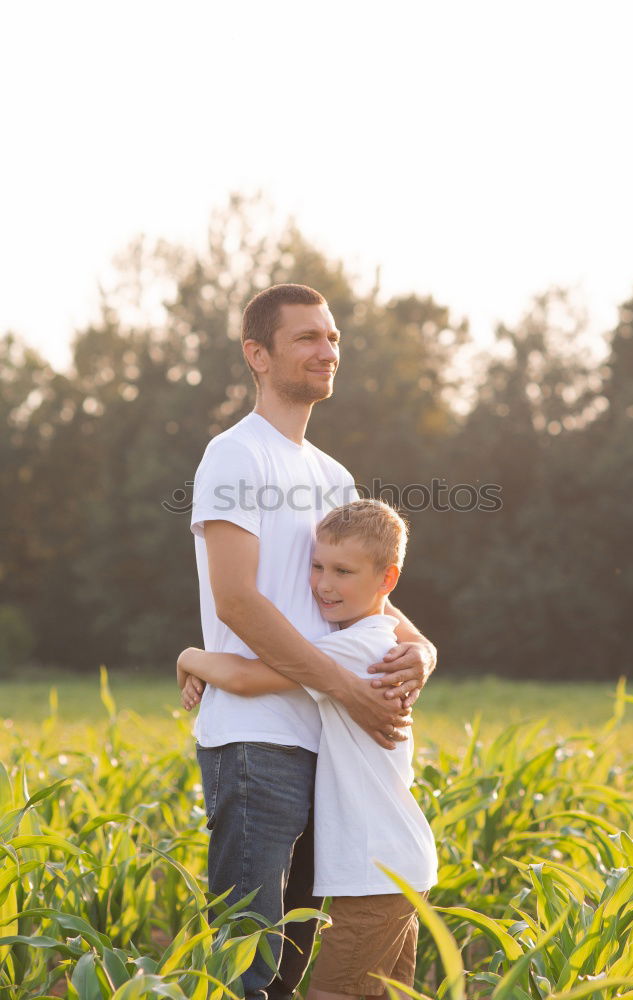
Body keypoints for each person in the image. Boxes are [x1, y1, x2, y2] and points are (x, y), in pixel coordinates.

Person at [184, 283, 436, 1000]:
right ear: (257, 355)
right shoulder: (234, 456)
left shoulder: (333, 476)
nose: (326, 351)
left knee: (296, 960)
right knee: (246, 965)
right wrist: (347, 687)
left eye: (331, 338)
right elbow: (238, 599)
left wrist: (420, 652)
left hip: (326, 746)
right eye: (306, 338)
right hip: (257, 740)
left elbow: (370, 597)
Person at [178, 498, 439, 998]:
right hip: (394, 863)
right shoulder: (369, 638)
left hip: (377, 869)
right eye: (317, 566)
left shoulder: (359, 645)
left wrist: (190, 655)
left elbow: (244, 676)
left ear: (387, 581)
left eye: (343, 571)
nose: (323, 583)